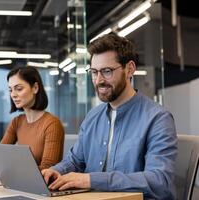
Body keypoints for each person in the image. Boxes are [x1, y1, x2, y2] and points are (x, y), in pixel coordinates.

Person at [42, 33, 177, 200]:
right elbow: (76, 160)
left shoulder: (158, 118)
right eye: (94, 72)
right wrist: (56, 171)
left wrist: (92, 180)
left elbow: (159, 181)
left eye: (106, 71)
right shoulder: (93, 117)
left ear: (130, 69)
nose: (98, 80)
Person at [0, 66, 65, 173]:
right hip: (19, 183)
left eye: (19, 89)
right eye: (10, 90)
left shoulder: (52, 124)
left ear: (35, 88)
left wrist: (8, 167)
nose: (13, 94)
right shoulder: (17, 122)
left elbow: (48, 169)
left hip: (41, 186)